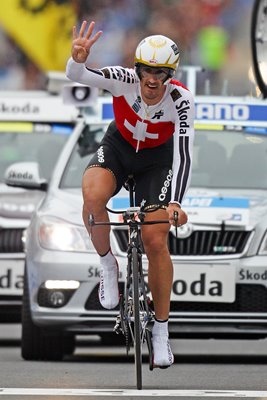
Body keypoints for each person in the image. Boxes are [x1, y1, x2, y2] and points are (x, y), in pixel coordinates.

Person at [66, 20, 195, 368]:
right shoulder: (122, 80)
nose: (153, 79)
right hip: (120, 147)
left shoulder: (181, 100)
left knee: (155, 239)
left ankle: (162, 332)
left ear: (171, 75)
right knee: (92, 195)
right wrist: (77, 59)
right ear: (137, 70)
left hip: (157, 161)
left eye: (162, 72)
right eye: (147, 70)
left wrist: (176, 203)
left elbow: (184, 152)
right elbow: (79, 75)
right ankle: (108, 265)